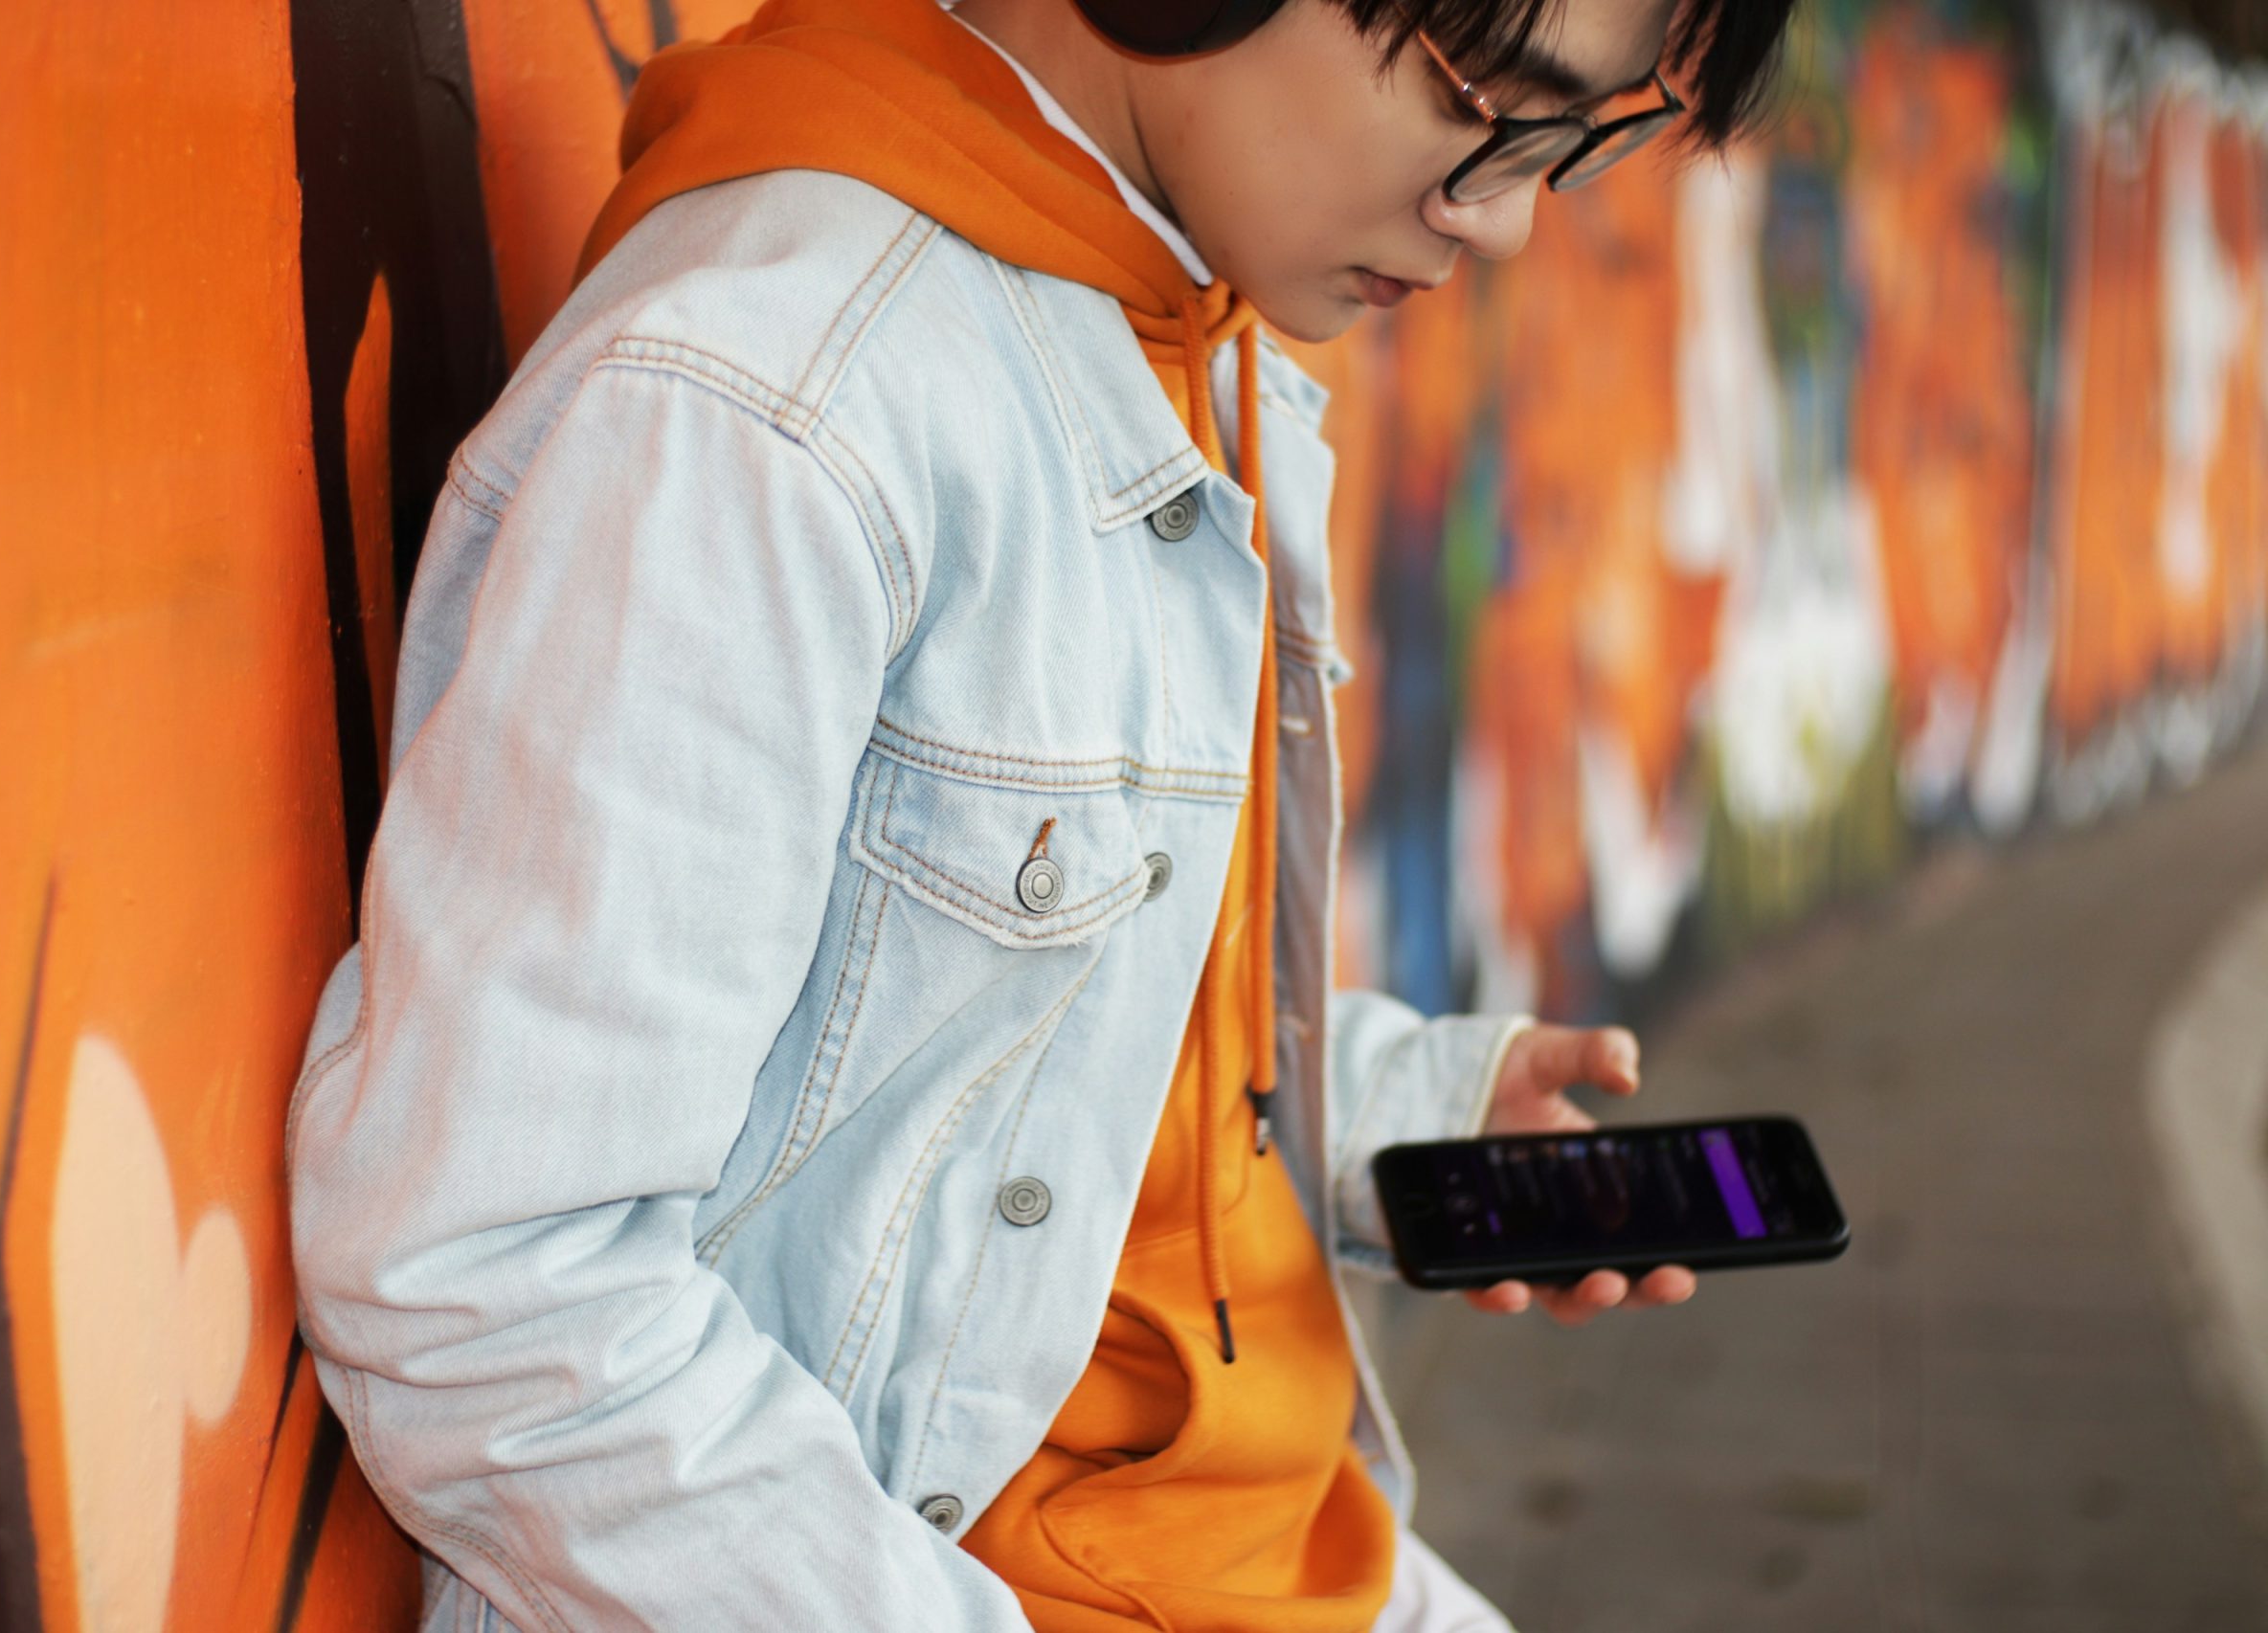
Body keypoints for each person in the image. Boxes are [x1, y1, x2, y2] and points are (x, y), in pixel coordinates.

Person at [285, 0, 1792, 1623]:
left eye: (1569, 141)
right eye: (1484, 99)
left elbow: (1021, 1030)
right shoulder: (767, 411)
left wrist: (1401, 1110)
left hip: (1291, 1555)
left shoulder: (1179, 325)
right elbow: (491, 1283)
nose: (1501, 221)